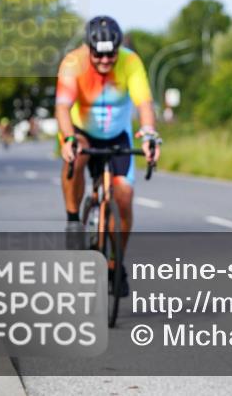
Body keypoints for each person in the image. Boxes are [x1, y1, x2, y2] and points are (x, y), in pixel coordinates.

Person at [56, 16, 160, 296]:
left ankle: (116, 263)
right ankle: (72, 219)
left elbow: (144, 104)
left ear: (119, 48)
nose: (104, 60)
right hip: (82, 131)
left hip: (117, 134)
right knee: (74, 158)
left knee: (123, 196)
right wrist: (67, 139)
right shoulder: (72, 63)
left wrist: (150, 133)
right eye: (98, 54)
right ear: (87, 48)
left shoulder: (130, 62)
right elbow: (63, 108)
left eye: (110, 54)